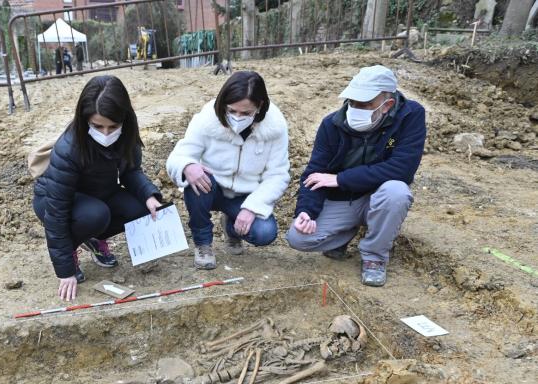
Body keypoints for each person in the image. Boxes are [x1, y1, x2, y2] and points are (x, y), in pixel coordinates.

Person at [286, 65, 426, 287]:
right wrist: (306, 211)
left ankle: (374, 257)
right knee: (298, 238)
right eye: (352, 102)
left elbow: (402, 168)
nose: (355, 108)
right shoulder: (331, 124)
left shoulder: (410, 116)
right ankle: (345, 233)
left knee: (397, 192)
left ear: (387, 105)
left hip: (379, 198)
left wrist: (340, 179)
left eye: (365, 104)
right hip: (345, 200)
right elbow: (314, 173)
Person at [33, 75, 162, 300]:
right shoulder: (69, 148)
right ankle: (73, 246)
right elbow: (56, 212)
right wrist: (65, 272)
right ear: (85, 121)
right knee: (96, 215)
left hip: (97, 194)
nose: (105, 134)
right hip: (55, 200)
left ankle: (92, 238)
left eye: (113, 126)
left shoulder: (126, 135)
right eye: (97, 126)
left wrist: (149, 195)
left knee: (140, 208)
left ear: (124, 119)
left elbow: (131, 171)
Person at [166, 71, 290, 270]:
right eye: (232, 111)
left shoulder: (275, 127)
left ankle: (232, 229)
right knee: (195, 176)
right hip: (211, 189)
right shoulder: (207, 119)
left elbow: (278, 174)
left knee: (264, 233)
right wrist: (187, 166)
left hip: (246, 196)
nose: (237, 118)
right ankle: (203, 243)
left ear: (259, 107)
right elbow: (179, 156)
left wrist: (252, 208)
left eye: (246, 113)